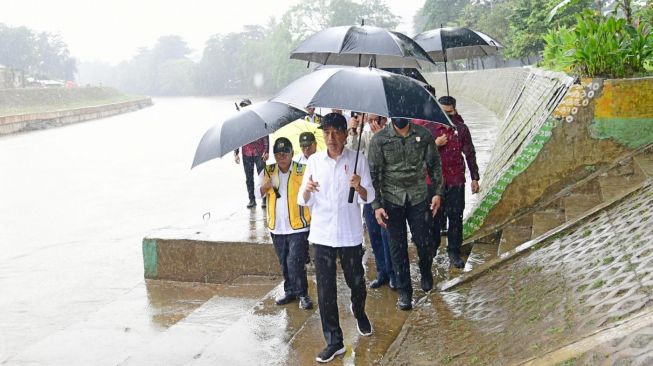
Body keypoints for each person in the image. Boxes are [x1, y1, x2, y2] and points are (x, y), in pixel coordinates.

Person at [298, 113, 375, 363]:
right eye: (326, 133)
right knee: (325, 290)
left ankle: (359, 311)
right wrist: (307, 190)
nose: (330, 138)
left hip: (350, 234)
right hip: (321, 235)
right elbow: (302, 199)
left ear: (344, 134)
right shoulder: (315, 162)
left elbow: (369, 197)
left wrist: (359, 186)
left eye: (335, 132)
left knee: (357, 282)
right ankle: (334, 341)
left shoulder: (357, 160)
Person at [368, 117, 443, 311]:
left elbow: (435, 166)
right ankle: (404, 291)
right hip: (392, 199)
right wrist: (377, 205)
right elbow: (373, 174)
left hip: (419, 196)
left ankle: (426, 271)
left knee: (424, 241)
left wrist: (437, 193)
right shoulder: (380, 139)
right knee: (397, 247)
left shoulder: (423, 135)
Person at [255, 137, 313, 309]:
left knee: (295, 261)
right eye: (278, 154)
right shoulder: (268, 171)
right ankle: (290, 291)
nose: (282, 157)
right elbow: (257, 194)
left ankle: (303, 294)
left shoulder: (302, 170)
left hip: (298, 225)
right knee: (283, 261)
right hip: (277, 226)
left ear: (292, 153)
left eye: (285, 153)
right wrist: (265, 187)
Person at [347, 114, 395, 289]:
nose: (372, 122)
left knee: (388, 234)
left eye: (377, 119)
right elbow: (351, 151)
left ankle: (394, 273)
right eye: (368, 119)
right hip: (369, 192)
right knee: (374, 235)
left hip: (388, 193)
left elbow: (392, 159)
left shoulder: (392, 132)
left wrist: (381, 138)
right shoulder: (364, 135)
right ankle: (382, 271)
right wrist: (352, 131)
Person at [432, 96, 480, 268]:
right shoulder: (429, 130)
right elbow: (419, 156)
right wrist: (435, 144)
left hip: (456, 181)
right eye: (443, 113)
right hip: (435, 184)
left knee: (456, 217)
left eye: (450, 112)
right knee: (434, 218)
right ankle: (433, 247)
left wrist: (474, 177)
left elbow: (470, 153)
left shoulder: (461, 129)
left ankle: (454, 250)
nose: (447, 116)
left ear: (455, 110)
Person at [234, 99, 269, 209]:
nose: (244, 108)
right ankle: (252, 200)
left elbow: (266, 135)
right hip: (246, 153)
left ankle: (264, 199)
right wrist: (236, 153)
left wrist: (267, 151)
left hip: (260, 152)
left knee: (262, 176)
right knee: (249, 178)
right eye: (243, 106)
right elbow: (236, 138)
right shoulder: (239, 122)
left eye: (246, 106)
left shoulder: (259, 119)